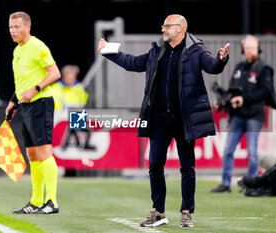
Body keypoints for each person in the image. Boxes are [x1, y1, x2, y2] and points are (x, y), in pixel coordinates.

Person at [98, 14, 230, 228]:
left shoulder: (196, 50)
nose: (163, 30)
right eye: (163, 26)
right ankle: (158, 212)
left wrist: (222, 59)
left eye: (167, 26)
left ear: (180, 29)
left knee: (187, 166)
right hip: (159, 118)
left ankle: (186, 212)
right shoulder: (157, 50)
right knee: (155, 165)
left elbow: (212, 66)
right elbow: (133, 63)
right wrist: (108, 51)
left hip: (183, 118)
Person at [5, 11, 61, 214]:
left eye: (17, 27)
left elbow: (55, 73)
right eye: (11, 27)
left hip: (41, 103)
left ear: (27, 27)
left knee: (44, 151)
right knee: (33, 154)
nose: (13, 31)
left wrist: (36, 89)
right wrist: (13, 102)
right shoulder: (17, 50)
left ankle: (52, 201)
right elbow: (23, 83)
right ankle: (36, 201)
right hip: (26, 106)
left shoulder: (37, 46)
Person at [211, 35, 276, 193]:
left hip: (254, 115)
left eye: (252, 48)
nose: (249, 51)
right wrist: (224, 102)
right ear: (243, 49)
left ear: (257, 48)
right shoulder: (239, 67)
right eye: (247, 48)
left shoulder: (263, 69)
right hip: (238, 115)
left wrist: (244, 99)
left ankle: (251, 183)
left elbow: (266, 92)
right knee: (228, 149)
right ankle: (226, 183)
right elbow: (234, 91)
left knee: (252, 151)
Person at [51, 65, 95, 150]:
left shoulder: (78, 87)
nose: (71, 78)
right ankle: (59, 144)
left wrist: (77, 107)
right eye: (69, 75)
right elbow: (54, 103)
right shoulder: (56, 87)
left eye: (73, 75)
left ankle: (80, 145)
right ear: (64, 75)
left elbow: (82, 101)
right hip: (58, 114)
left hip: (73, 114)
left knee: (80, 116)